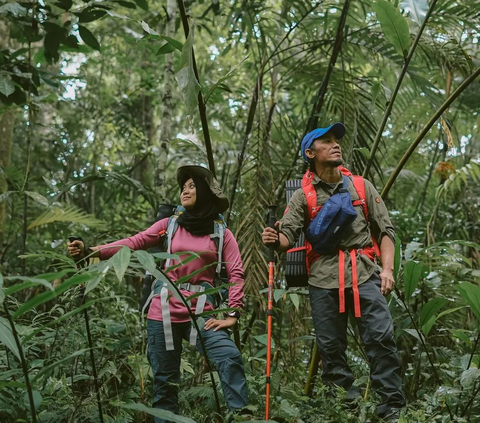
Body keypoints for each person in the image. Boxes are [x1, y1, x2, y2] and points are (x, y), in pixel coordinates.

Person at [68, 165, 248, 423]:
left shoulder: (222, 233)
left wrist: (233, 313)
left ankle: (241, 418)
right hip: (162, 311)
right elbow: (134, 242)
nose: (185, 190)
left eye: (192, 185)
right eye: (183, 186)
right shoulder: (170, 225)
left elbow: (236, 273)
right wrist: (92, 250)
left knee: (229, 357)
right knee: (165, 382)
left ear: (206, 192)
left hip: (202, 312)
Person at [261, 123, 405, 422]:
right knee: (331, 349)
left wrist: (388, 270)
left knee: (381, 340)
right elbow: (287, 236)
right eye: (326, 141)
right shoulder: (303, 196)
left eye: (336, 140)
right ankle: (346, 411)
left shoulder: (362, 186)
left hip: (365, 273)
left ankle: (392, 410)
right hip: (324, 280)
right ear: (310, 153)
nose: (335, 144)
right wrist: (276, 240)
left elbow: (386, 231)